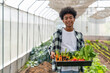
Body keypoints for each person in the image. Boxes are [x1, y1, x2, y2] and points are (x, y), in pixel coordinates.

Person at [50, 7, 85, 73]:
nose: (69, 20)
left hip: (76, 68)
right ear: (63, 20)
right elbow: (51, 48)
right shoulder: (58, 34)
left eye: (71, 17)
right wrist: (52, 52)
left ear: (74, 19)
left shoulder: (79, 35)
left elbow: (83, 50)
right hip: (63, 68)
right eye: (66, 18)